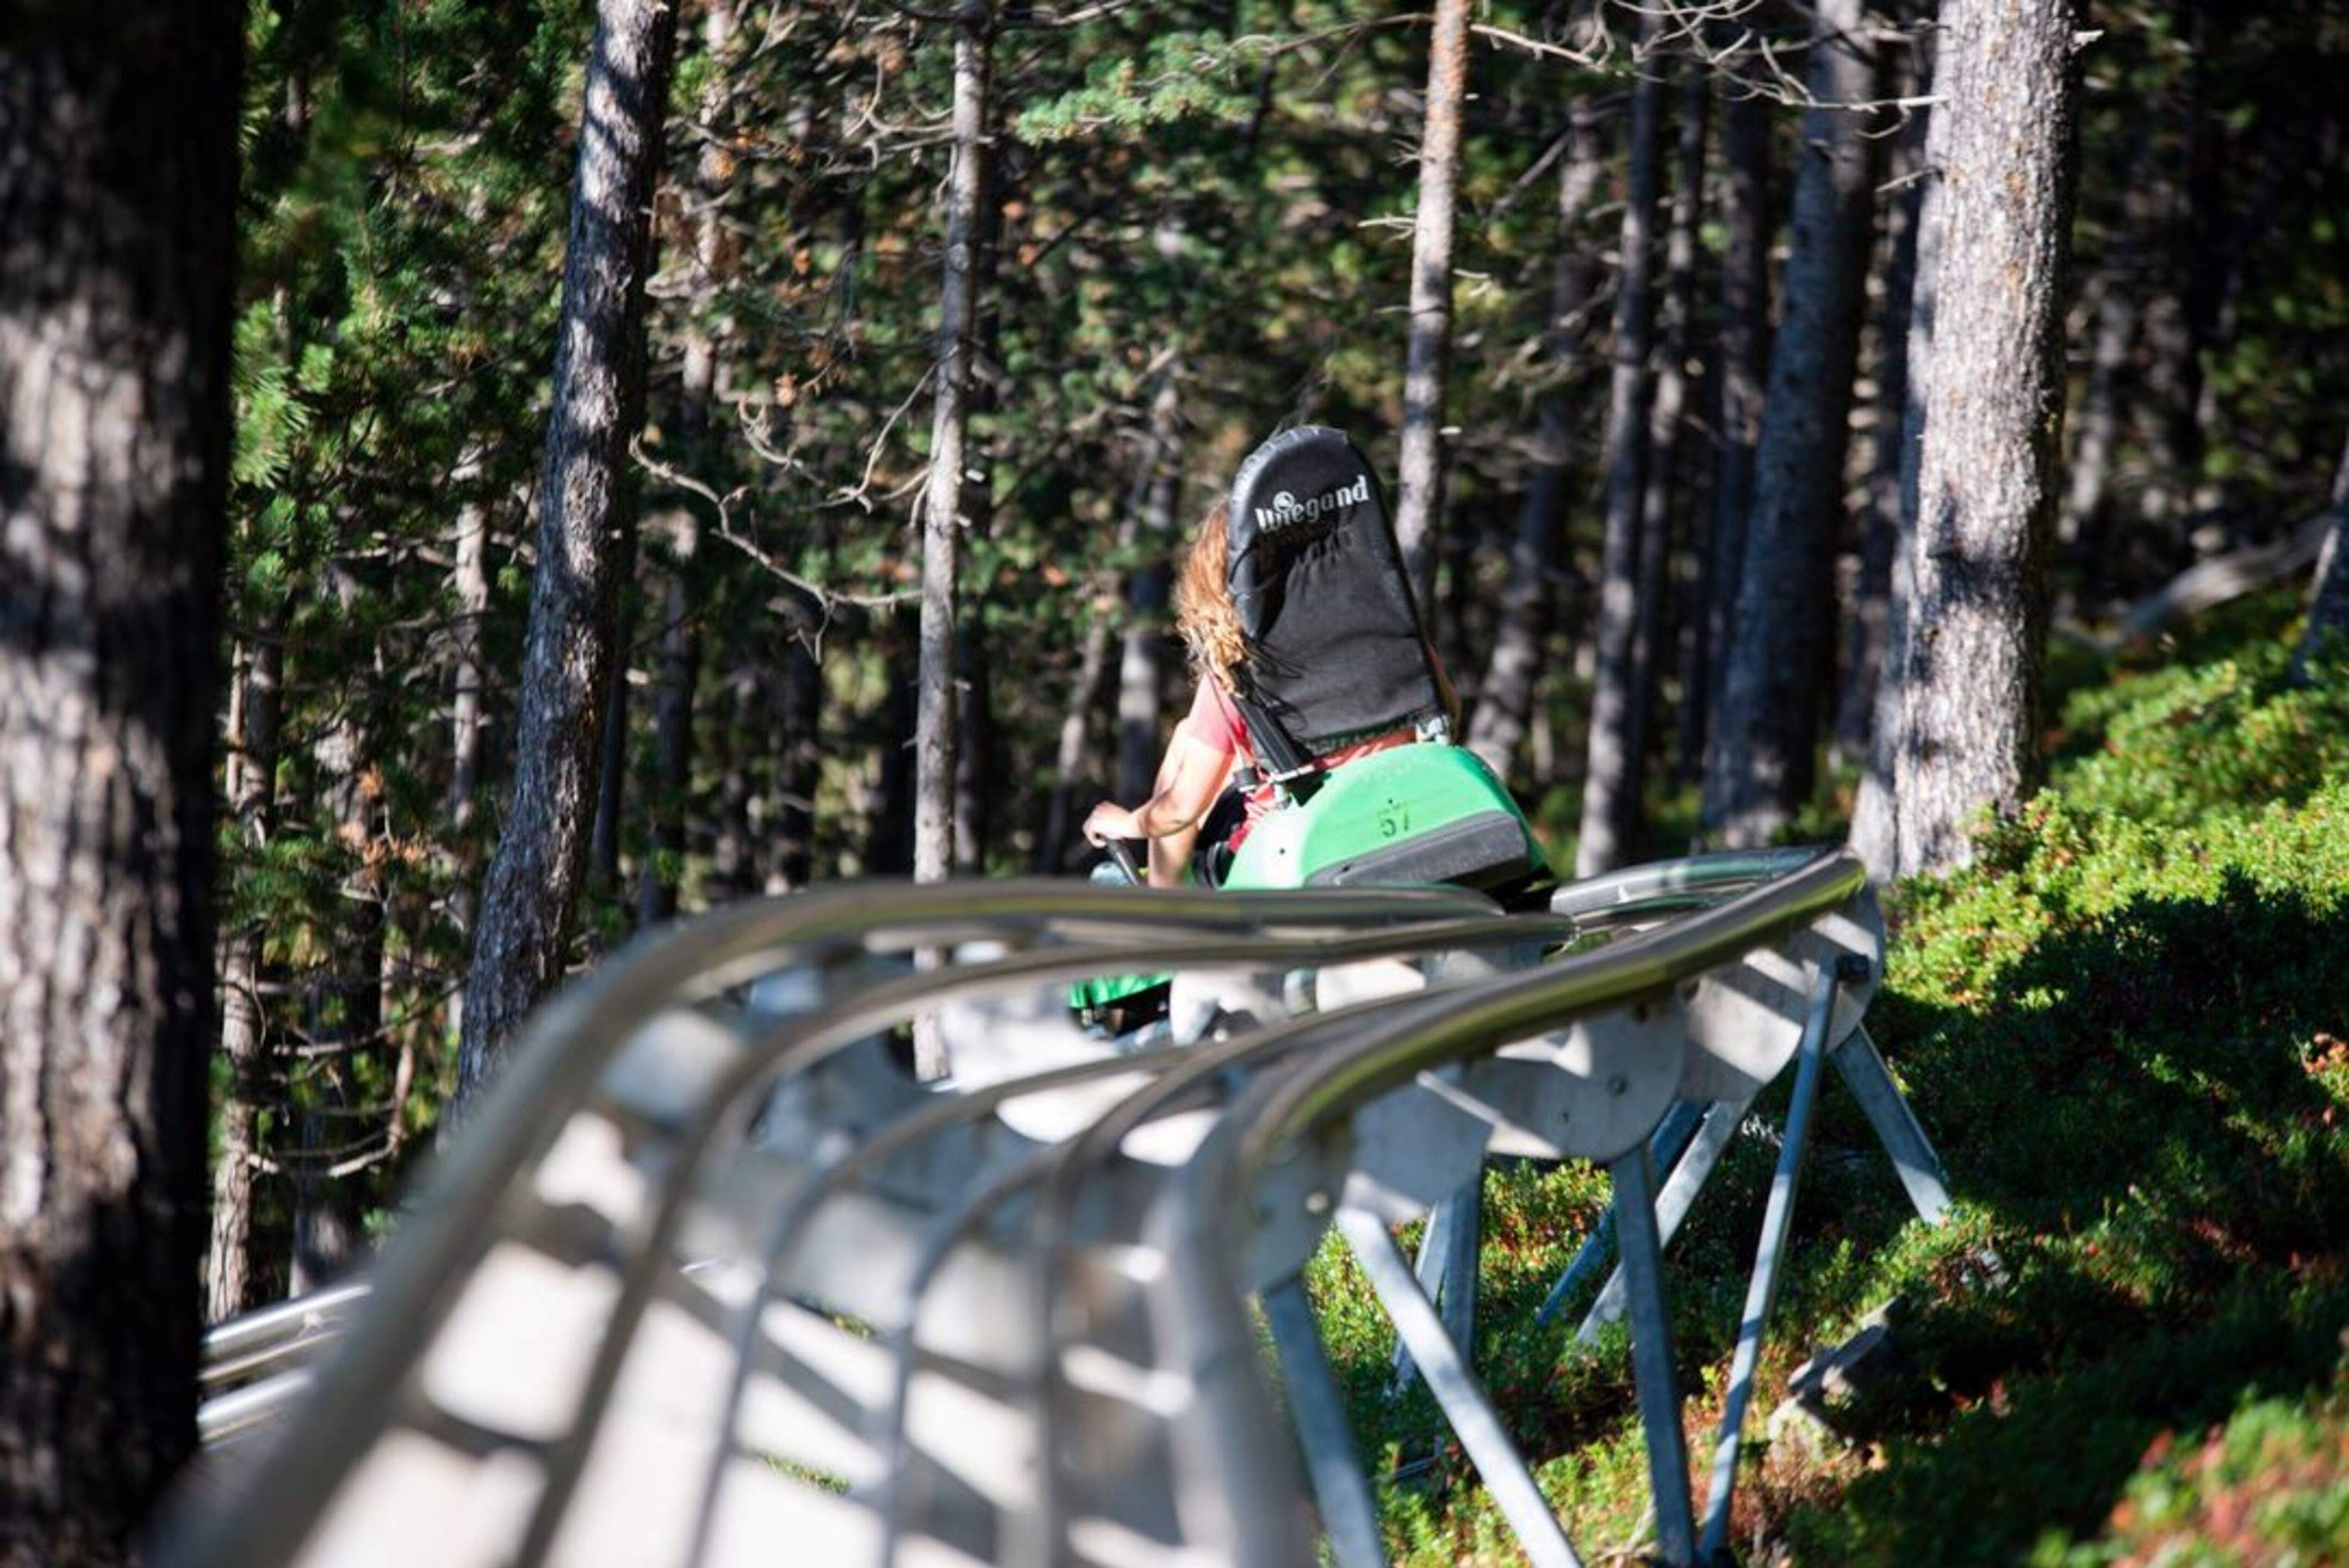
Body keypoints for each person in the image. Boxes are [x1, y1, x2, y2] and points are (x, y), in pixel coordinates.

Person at [1082, 500, 1455, 887]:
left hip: (1293, 847)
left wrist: (1126, 822)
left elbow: (1179, 810)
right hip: (1404, 812)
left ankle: (1166, 901)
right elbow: (1447, 711)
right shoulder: (1390, 632)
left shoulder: (1238, 673)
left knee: (1187, 739)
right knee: (1197, 739)